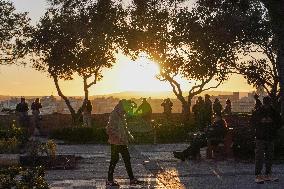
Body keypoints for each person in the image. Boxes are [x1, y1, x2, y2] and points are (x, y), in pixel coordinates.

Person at [105, 100, 143, 187]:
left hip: (122, 142)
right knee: (114, 160)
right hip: (115, 143)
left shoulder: (122, 115)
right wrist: (119, 137)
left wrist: (130, 136)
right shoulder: (114, 115)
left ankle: (132, 179)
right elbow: (109, 129)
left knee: (127, 159)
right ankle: (109, 180)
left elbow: (125, 128)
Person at [251, 96, 281, 184]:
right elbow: (252, 122)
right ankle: (258, 174)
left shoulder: (273, 112)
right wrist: (261, 121)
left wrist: (272, 122)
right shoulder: (259, 111)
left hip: (270, 136)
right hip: (261, 137)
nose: (267, 105)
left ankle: (267, 174)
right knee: (259, 156)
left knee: (269, 156)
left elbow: (279, 122)